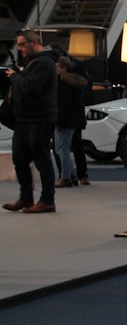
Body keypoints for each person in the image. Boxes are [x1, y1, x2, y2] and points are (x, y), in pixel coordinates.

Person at [3, 29, 58, 213]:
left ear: (34, 42)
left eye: (22, 45)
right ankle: (26, 198)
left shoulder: (45, 63)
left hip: (38, 120)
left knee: (42, 160)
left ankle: (47, 200)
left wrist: (15, 76)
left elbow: (30, 87)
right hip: (25, 120)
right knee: (20, 159)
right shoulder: (35, 63)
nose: (20, 49)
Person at [53, 56, 88, 189]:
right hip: (75, 119)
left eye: (57, 67)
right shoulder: (74, 82)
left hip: (66, 120)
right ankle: (72, 174)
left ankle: (65, 176)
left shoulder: (64, 83)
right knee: (64, 148)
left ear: (63, 68)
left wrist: (58, 121)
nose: (55, 69)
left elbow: (63, 104)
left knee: (62, 149)